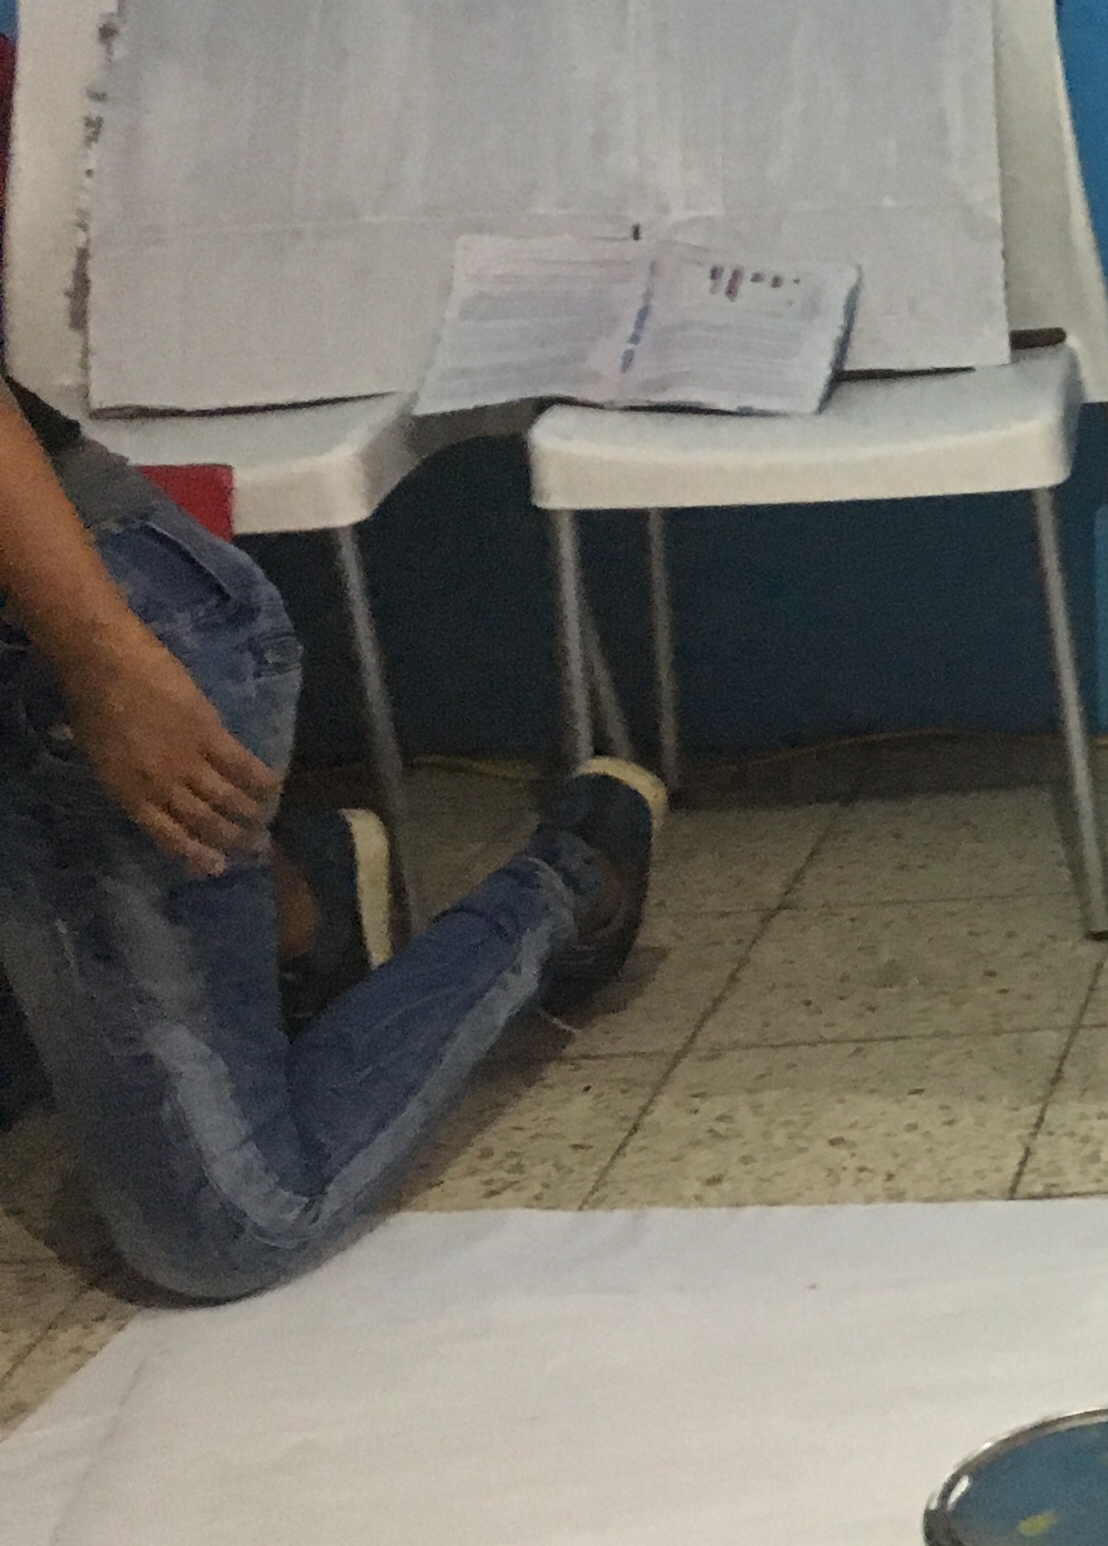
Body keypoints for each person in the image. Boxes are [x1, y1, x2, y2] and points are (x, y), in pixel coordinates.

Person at [0, 363, 661, 1302]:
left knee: (229, 1226)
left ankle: (567, 885)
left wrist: (103, 664)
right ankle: (299, 904)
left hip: (73, 641)